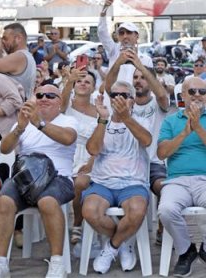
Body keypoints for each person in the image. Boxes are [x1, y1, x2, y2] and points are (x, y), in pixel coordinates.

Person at [0, 84, 78, 278]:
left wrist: (40, 124)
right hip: (25, 176)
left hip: (58, 176)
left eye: (50, 96)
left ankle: (57, 263)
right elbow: (4, 149)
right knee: (4, 201)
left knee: (47, 202)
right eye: (40, 95)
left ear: (60, 102)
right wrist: (19, 128)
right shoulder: (24, 122)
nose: (44, 98)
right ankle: (0, 263)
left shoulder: (68, 120)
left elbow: (68, 138)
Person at [157, 76, 206, 277]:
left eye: (202, 91)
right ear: (183, 96)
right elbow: (162, 153)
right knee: (165, 210)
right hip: (177, 181)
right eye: (192, 92)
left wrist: (198, 126)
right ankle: (186, 250)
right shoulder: (171, 120)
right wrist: (184, 132)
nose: (198, 95)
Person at [82, 81, 152, 273]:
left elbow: (146, 140)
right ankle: (123, 241)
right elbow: (93, 150)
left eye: (124, 95)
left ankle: (111, 247)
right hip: (102, 181)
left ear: (132, 101)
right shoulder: (99, 121)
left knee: (137, 211)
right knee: (89, 212)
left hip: (133, 182)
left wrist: (126, 117)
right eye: (114, 95)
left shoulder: (141, 120)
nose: (119, 99)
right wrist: (103, 120)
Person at [104, 49, 170, 244]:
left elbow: (161, 93)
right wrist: (119, 63)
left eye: (143, 77)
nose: (139, 80)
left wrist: (139, 65)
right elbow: (109, 87)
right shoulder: (123, 102)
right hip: (127, 164)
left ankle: (161, 228)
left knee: (165, 189)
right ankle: (123, 239)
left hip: (154, 163)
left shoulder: (159, 104)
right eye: (135, 77)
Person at [59, 69, 99, 248]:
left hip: (90, 156)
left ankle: (77, 223)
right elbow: (60, 105)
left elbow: (101, 138)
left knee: (80, 183)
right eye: (80, 81)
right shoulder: (66, 106)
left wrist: (92, 161)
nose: (83, 83)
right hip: (67, 152)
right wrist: (69, 81)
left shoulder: (98, 110)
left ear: (93, 87)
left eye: (87, 82)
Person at [0, 23, 37, 101]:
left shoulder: (19, 56)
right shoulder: (25, 56)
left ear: (18, 38)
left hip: (14, 110)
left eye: (5, 38)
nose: (3, 42)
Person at [98, 0, 153, 68]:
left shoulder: (146, 60)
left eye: (129, 32)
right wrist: (104, 9)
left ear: (137, 36)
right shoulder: (114, 50)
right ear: (118, 37)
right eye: (121, 33)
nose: (125, 36)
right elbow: (102, 31)